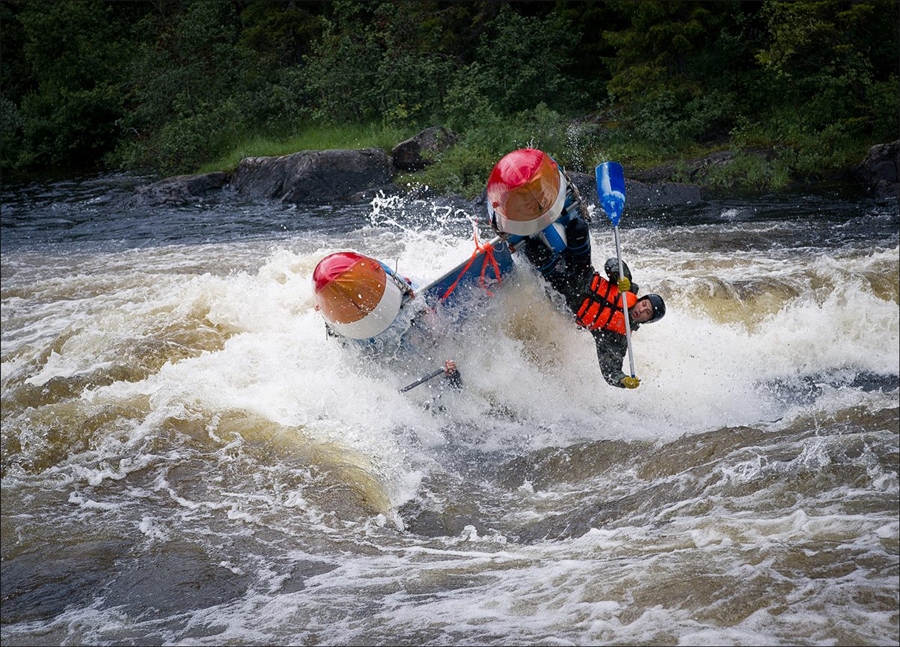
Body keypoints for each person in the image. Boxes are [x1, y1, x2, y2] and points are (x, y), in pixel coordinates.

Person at [485, 149, 666, 389]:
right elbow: (613, 264)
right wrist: (616, 272)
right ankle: (549, 211)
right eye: (645, 304)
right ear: (641, 299)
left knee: (536, 252)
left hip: (567, 300)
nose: (642, 310)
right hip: (583, 274)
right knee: (578, 228)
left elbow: (609, 372)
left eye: (647, 313)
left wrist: (623, 380)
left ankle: (526, 234)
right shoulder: (628, 286)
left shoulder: (618, 338)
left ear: (647, 320)